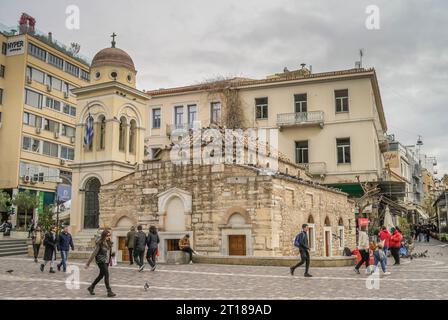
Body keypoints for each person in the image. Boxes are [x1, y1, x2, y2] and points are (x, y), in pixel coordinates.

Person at [85, 229, 116, 297]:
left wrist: (112, 255)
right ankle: (109, 291)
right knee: (106, 275)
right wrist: (88, 263)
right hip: (101, 261)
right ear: (104, 236)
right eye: (107, 235)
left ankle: (91, 287)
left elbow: (109, 252)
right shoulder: (100, 243)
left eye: (110, 235)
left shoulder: (109, 242)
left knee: (101, 275)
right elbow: (94, 253)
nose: (109, 236)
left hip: (106, 261)